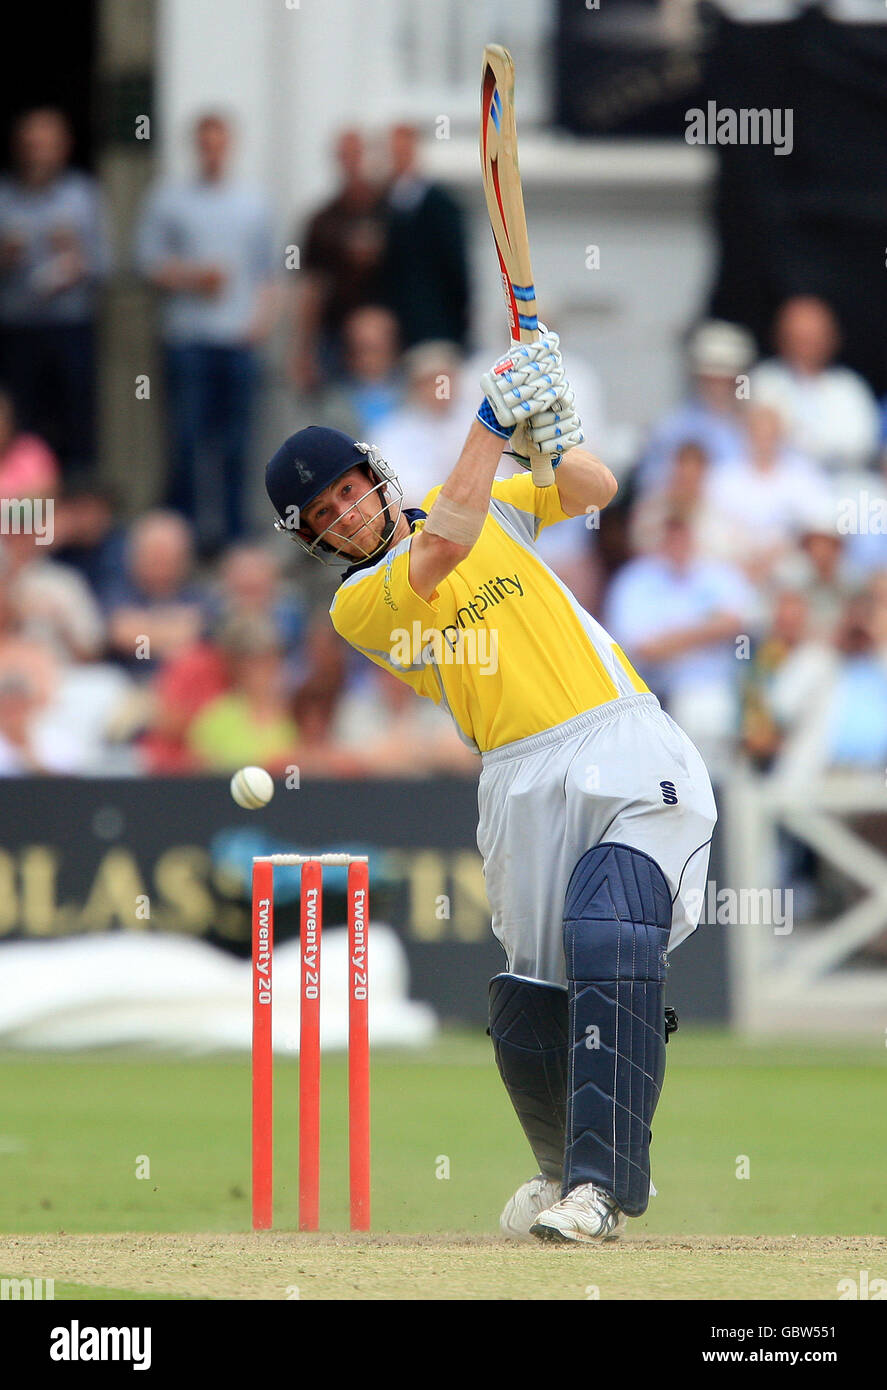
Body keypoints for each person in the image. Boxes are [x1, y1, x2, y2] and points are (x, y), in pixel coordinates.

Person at [265, 329, 717, 1244]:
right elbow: (442, 548)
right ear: (312, 539)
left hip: (622, 739)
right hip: (517, 784)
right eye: (326, 515)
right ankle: (563, 1173)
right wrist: (490, 417)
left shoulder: (470, 497)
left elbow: (596, 490)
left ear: (376, 478)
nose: (347, 516)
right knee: (527, 1003)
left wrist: (548, 436)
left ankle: (600, 1188)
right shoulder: (361, 604)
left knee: (609, 930)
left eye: (350, 492)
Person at [134, 111, 278, 552]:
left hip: (238, 341)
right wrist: (195, 278)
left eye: (219, 142)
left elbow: (271, 273)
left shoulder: (253, 202)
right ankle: (187, 537)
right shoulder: (168, 199)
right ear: (196, 146)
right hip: (188, 339)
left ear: (229, 145)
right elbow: (147, 264)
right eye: (205, 142)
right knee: (188, 440)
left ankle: (234, 535)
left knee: (237, 443)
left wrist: (261, 323)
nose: (212, 150)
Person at [0, 107, 111, 476]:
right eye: (31, 143)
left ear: (64, 147)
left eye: (46, 144)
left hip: (71, 328)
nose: (38, 151)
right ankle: (26, 524)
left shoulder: (84, 195)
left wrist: (76, 257)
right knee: (22, 429)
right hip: (17, 331)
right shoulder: (4, 196)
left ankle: (77, 526)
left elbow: (107, 265)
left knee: (77, 423)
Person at [750, 296, 880, 475]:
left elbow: (862, 446)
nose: (806, 347)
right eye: (798, 338)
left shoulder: (850, 387)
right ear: (780, 338)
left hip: (838, 483)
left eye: (813, 338)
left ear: (832, 339)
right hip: (773, 481)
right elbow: (753, 437)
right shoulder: (762, 380)